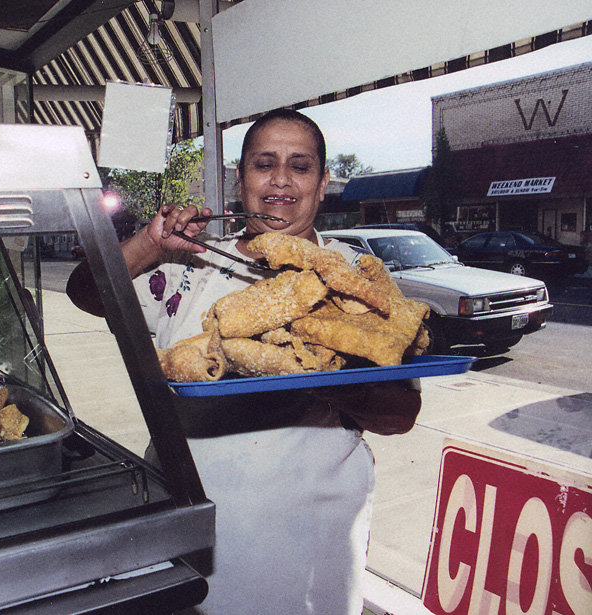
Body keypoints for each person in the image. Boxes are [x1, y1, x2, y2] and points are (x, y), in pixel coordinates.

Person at [67, 109, 422, 614]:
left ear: (323, 184)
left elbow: (400, 414)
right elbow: (85, 292)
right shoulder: (190, 261)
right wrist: (150, 243)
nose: (281, 179)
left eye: (300, 167)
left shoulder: (353, 282)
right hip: (184, 518)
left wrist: (322, 378)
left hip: (308, 539)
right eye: (264, 163)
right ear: (241, 178)